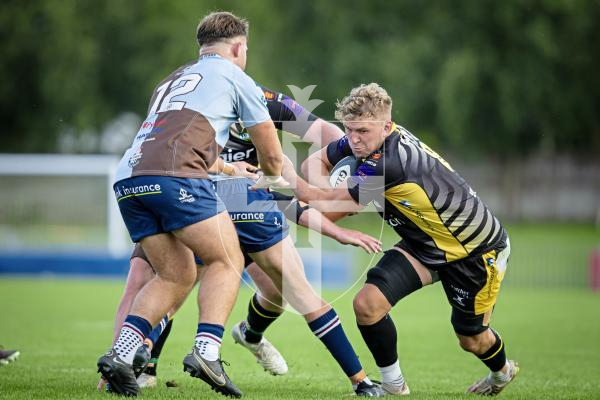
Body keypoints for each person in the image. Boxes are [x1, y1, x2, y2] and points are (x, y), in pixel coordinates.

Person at [100, 85, 384, 397]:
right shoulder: (196, 103)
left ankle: (248, 335)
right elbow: (293, 189)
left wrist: (346, 178)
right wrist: (328, 199)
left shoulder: (267, 102)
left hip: (232, 197)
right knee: (164, 277)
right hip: (204, 196)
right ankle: (142, 362)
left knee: (271, 291)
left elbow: (329, 138)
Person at [97, 11, 286, 398]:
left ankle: (120, 354)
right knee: (227, 257)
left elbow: (174, 139)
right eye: (245, 49)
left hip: (129, 178)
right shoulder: (237, 77)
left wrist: (229, 169)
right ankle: (207, 352)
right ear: (238, 47)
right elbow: (270, 145)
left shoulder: (171, 80)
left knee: (176, 272)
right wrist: (272, 176)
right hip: (174, 176)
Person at [291, 83, 519, 396]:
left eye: (362, 132)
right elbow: (311, 164)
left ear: (386, 126)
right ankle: (394, 386)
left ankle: (502, 371)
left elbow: (327, 214)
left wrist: (288, 183)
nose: (354, 139)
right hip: (424, 242)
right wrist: (333, 191)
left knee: (471, 339)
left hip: (474, 250)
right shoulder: (369, 140)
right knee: (367, 305)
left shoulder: (388, 164)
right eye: (349, 130)